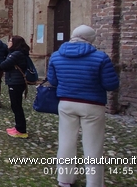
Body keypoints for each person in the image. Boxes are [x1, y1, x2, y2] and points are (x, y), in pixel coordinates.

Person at [48, 25, 119, 187]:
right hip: (92, 104)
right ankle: (94, 183)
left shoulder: (56, 56)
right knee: (93, 145)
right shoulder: (101, 58)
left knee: (66, 142)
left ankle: (65, 179)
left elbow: (53, 81)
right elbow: (111, 84)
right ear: (91, 39)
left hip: (66, 103)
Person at [0, 35, 30, 138]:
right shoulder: (17, 53)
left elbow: (3, 65)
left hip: (16, 82)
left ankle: (21, 130)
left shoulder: (16, 54)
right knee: (16, 105)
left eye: (11, 41)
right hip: (15, 81)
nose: (9, 43)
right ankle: (18, 127)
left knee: (16, 105)